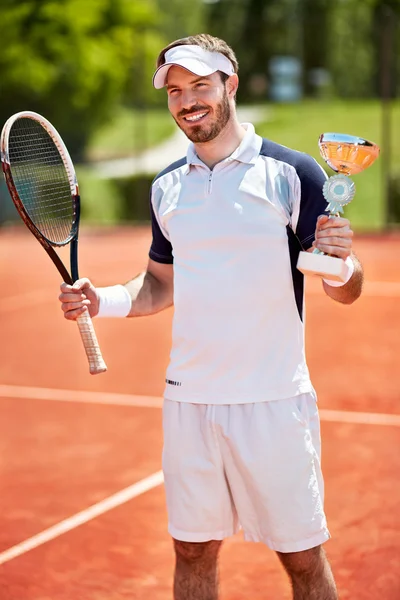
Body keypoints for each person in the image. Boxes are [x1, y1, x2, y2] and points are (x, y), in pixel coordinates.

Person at [59, 34, 363, 600]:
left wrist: (342, 267)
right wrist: (103, 299)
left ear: (231, 84)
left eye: (200, 84)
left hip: (272, 401)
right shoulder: (167, 187)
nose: (187, 100)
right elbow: (158, 285)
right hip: (190, 402)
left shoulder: (295, 174)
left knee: (301, 557)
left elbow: (346, 289)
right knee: (192, 550)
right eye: (175, 91)